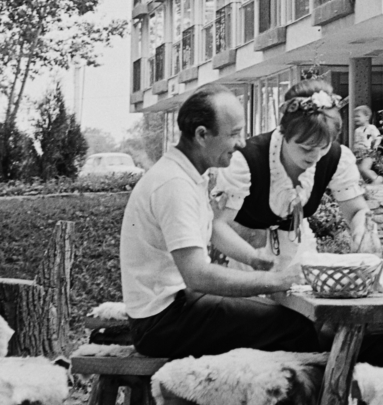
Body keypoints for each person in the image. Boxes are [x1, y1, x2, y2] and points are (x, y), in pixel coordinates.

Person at [121, 82, 320, 358]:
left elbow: (211, 232)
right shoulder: (174, 184)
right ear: (202, 135)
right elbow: (197, 275)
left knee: (279, 318)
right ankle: (275, 397)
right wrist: (275, 281)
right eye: (234, 134)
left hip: (170, 312)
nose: (241, 143)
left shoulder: (186, 174)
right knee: (298, 326)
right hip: (164, 321)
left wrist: (254, 260)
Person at [215, 81, 378, 260]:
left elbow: (356, 211)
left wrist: (362, 227)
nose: (315, 156)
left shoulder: (336, 158)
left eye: (323, 147)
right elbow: (218, 227)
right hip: (239, 254)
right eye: (306, 148)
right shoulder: (245, 160)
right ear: (284, 132)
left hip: (296, 251)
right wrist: (255, 260)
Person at [351, 104, 383, 187]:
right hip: (357, 152)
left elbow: (378, 137)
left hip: (367, 152)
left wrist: (374, 147)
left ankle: (377, 178)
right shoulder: (357, 130)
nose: (356, 119)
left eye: (358, 116)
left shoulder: (371, 127)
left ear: (366, 117)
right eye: (355, 117)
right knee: (358, 169)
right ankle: (362, 184)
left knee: (364, 168)